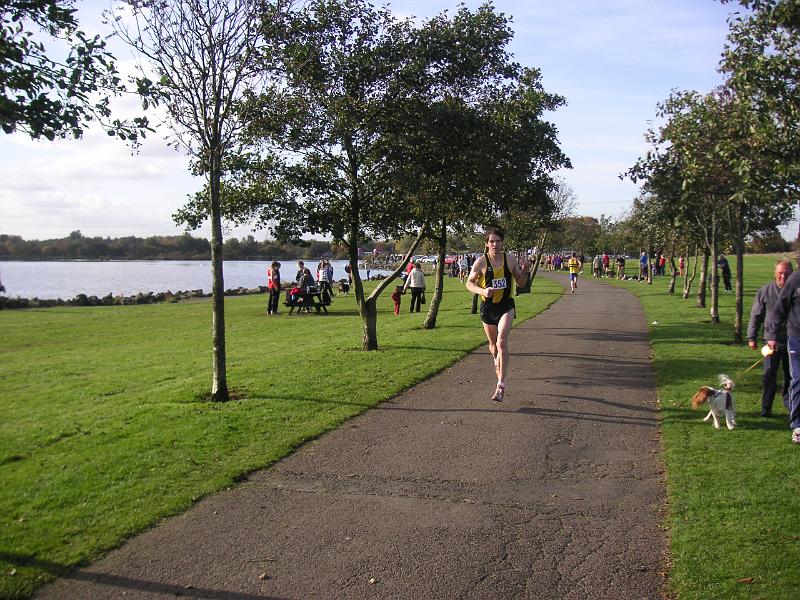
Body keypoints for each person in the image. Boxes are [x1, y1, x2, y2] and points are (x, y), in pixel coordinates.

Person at [466, 227, 529, 402]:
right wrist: (483, 291)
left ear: (502, 242)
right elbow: (469, 284)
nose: (495, 244)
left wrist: (524, 271)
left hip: (506, 306)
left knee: (502, 341)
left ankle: (501, 385)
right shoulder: (481, 262)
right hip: (488, 308)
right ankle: (497, 363)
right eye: (491, 241)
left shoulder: (510, 260)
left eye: (498, 241)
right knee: (493, 346)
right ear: (486, 244)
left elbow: (521, 283)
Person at [748, 260, 793, 417]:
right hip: (771, 341)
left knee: (792, 376)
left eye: (786, 273)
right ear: (775, 273)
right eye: (780, 273)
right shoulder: (765, 290)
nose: (783, 276)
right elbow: (756, 315)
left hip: (792, 341)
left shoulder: (797, 291)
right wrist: (751, 337)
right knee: (768, 375)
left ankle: (791, 407)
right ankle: (766, 408)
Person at [766, 265, 800, 444]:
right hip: (796, 337)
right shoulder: (795, 280)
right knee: (797, 379)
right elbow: (779, 310)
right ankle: (797, 426)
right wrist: (771, 336)